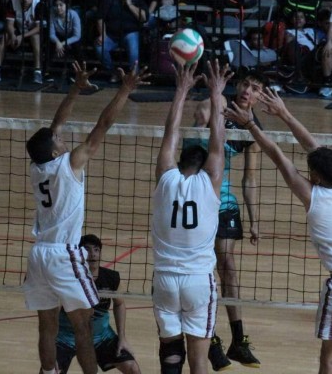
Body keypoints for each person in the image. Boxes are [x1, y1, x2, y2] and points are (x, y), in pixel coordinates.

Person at [224, 87, 332, 374]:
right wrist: (284, 113)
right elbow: (316, 148)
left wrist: (249, 124)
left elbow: (275, 154)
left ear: (317, 177)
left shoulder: (313, 197)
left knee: (330, 360)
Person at [23, 60, 149, 374]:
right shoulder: (69, 164)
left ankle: (49, 372)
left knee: (47, 325)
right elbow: (101, 127)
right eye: (59, 142)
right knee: (84, 325)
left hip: (38, 254)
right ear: (55, 151)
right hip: (64, 254)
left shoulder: (38, 168)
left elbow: (54, 128)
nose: (63, 139)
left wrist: (75, 89)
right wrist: (125, 89)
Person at [185, 69, 265, 371]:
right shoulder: (212, 107)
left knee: (228, 265)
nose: (248, 90)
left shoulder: (253, 130)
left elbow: (250, 179)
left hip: (225, 200)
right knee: (205, 268)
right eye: (246, 84)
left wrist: (255, 219)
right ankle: (211, 339)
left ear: (259, 97)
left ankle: (238, 340)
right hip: (199, 197)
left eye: (255, 88)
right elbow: (197, 125)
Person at [151, 59, 229, 374]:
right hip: (198, 281)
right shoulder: (210, 183)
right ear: (204, 165)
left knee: (170, 355)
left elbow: (170, 133)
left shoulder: (165, 179)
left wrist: (181, 91)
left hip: (164, 280)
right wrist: (216, 94)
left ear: (180, 160)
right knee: (198, 363)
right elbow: (218, 142)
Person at [56, 234, 141, 374]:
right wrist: (51, 345)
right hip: (66, 337)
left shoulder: (111, 278)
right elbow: (54, 312)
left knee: (133, 368)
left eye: (96, 250)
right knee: (51, 371)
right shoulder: (67, 279)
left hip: (101, 337)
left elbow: (119, 304)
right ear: (79, 253)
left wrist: (122, 338)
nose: (93, 254)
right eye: (88, 250)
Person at [95, 0, 149, 83]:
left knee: (133, 49)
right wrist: (102, 34)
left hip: (130, 33)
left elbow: (143, 18)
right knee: (99, 47)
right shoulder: (110, 0)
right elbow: (100, 18)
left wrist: (129, 4)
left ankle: (134, 76)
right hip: (111, 35)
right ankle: (114, 72)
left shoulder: (137, 1)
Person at [0, 0, 43, 84]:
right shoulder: (12, 1)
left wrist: (22, 36)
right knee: (3, 40)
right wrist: (13, 35)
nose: (26, 0)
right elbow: (9, 24)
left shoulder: (38, 3)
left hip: (31, 30)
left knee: (36, 38)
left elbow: (39, 28)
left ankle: (38, 72)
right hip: (17, 28)